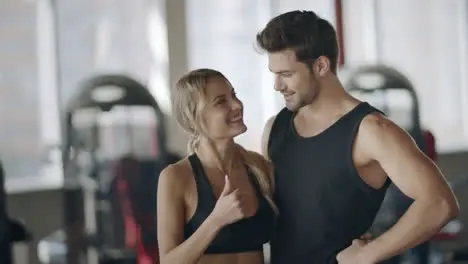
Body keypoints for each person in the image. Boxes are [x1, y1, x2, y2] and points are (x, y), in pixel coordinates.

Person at [256, 10, 460, 264]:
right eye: (274, 73)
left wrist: (368, 254)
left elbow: (440, 202)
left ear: (320, 66)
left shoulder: (371, 130)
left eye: (286, 74)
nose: (277, 85)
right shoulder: (274, 129)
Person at [156, 68, 277, 264]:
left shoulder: (259, 168)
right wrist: (216, 219)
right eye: (221, 102)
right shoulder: (175, 177)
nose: (237, 105)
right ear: (194, 117)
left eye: (234, 95)